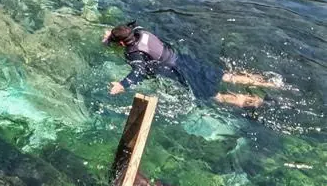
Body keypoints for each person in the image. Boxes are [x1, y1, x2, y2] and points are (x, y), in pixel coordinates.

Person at [102, 22, 282, 108]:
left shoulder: (133, 52)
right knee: (226, 76)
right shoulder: (140, 31)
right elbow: (127, 29)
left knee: (215, 96)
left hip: (179, 71)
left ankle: (262, 102)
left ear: (122, 44)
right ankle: (271, 83)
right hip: (184, 60)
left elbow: (139, 71)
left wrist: (122, 85)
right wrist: (112, 34)